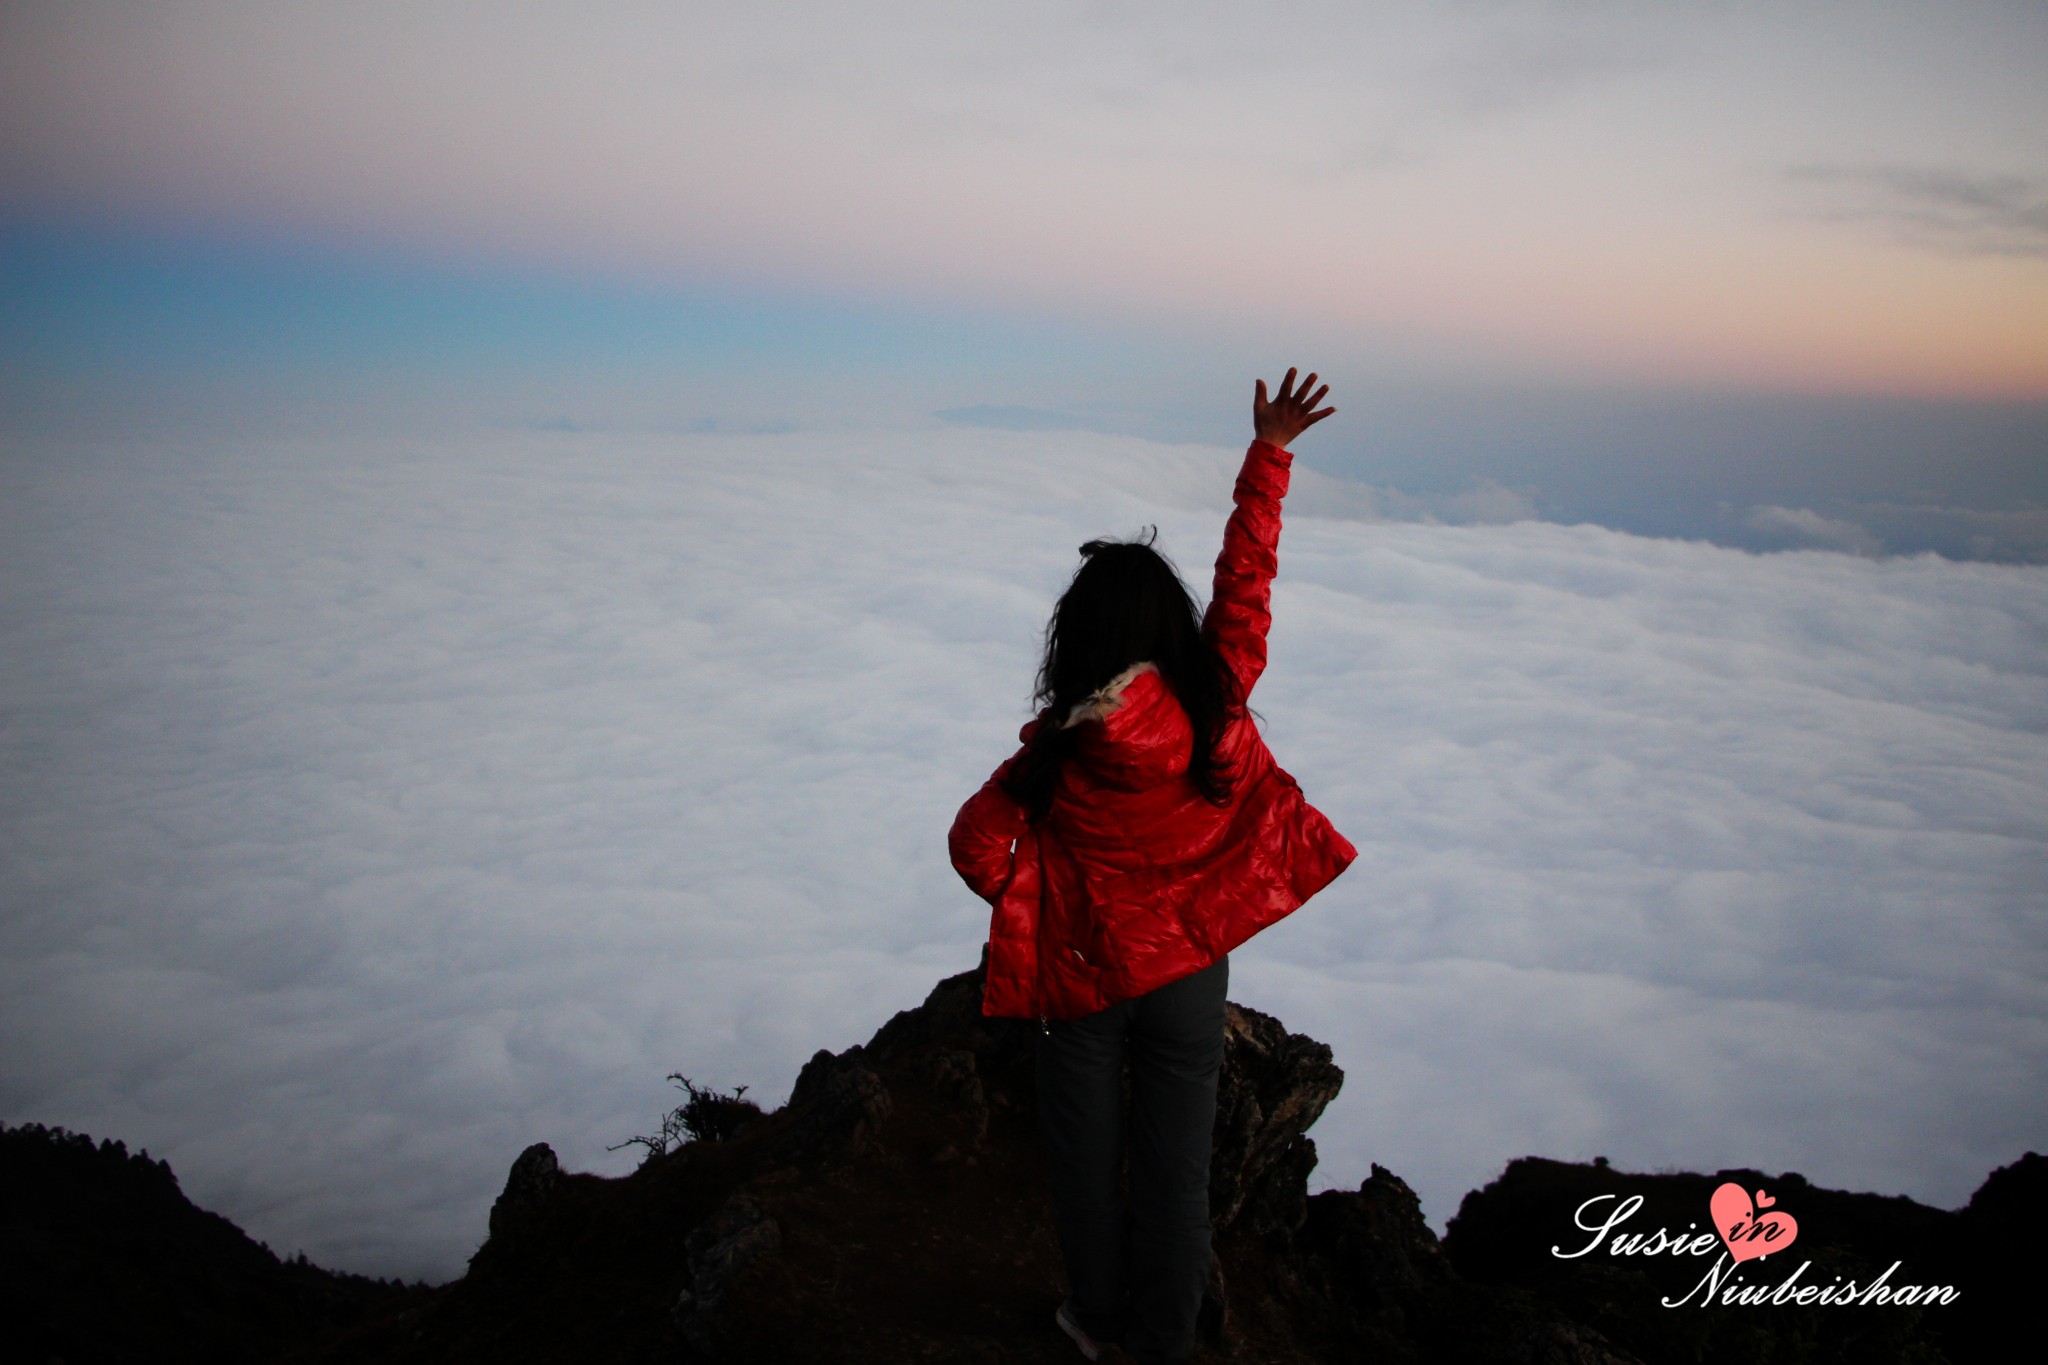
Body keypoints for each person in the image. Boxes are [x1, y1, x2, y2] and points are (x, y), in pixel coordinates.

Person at [948, 370, 1358, 1365]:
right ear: (1167, 633)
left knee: (1084, 1166)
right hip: (1185, 974)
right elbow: (1245, 581)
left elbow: (973, 843)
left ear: (1076, 641)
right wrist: (1269, 451)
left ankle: (1095, 1319)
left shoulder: (1054, 752)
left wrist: (1026, 897)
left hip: (1083, 980)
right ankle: (1164, 1344)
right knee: (1173, 1176)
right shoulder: (1215, 701)